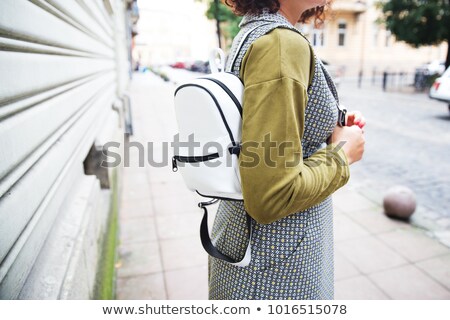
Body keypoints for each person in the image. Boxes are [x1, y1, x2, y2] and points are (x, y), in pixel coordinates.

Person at [209, 0, 366, 300]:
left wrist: (329, 127)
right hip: (277, 266)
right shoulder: (281, 44)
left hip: (250, 246)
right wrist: (342, 154)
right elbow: (272, 194)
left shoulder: (255, 30)